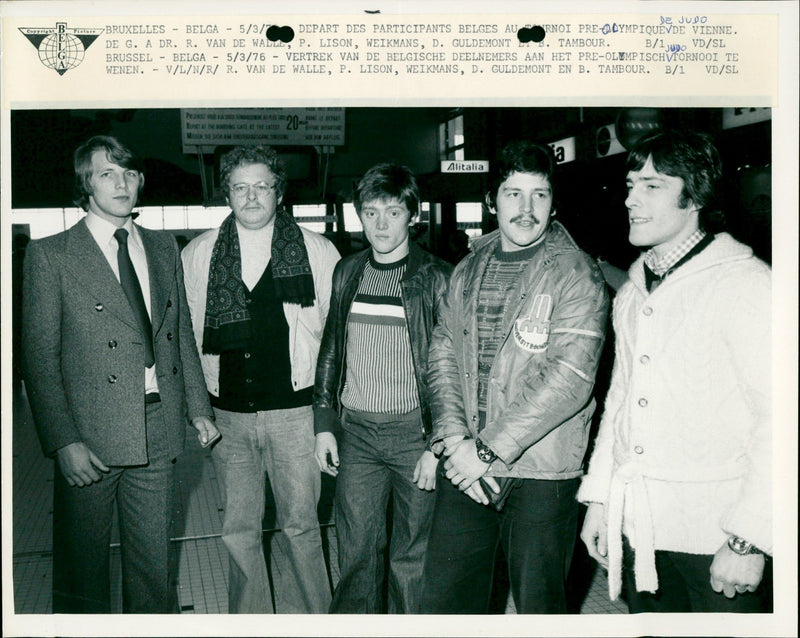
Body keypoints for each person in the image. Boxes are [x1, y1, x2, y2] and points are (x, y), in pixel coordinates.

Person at [21, 135, 218, 613]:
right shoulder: (52, 255)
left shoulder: (162, 246)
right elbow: (39, 358)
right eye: (107, 174)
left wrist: (198, 408)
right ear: (85, 184)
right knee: (83, 568)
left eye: (129, 173)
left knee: (152, 567)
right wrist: (64, 441)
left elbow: (179, 335)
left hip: (156, 426)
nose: (121, 183)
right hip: (88, 435)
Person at [578, 129, 772, 613]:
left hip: (718, 540)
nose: (631, 200)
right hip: (642, 530)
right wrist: (601, 500)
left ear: (696, 196)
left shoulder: (745, 284)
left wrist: (749, 538)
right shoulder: (631, 291)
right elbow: (619, 402)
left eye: (653, 186)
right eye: (630, 185)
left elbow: (781, 419)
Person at [420, 141, 609, 614]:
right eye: (512, 194)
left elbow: (569, 377)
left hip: (540, 470)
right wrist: (453, 438)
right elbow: (442, 351)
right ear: (491, 201)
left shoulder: (576, 272)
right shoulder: (468, 269)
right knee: (447, 604)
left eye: (539, 195)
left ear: (553, 201)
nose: (526, 209)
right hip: (466, 464)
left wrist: (485, 450)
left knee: (539, 607)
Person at [181, 145, 339, 613]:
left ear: (279, 193)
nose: (251, 197)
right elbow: (185, 337)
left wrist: (327, 414)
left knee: (301, 527)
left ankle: (314, 618)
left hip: (296, 413)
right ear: (226, 193)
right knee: (239, 531)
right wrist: (197, 408)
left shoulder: (317, 250)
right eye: (240, 187)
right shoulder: (199, 254)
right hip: (227, 414)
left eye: (262, 186)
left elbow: (335, 335)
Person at [313, 163, 452, 613]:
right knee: (355, 551)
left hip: (414, 434)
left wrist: (439, 444)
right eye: (370, 213)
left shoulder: (437, 277)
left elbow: (453, 370)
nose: (381, 224)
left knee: (413, 556)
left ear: (412, 214)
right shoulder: (348, 272)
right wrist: (324, 423)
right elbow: (331, 350)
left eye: (393, 212)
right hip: (357, 434)